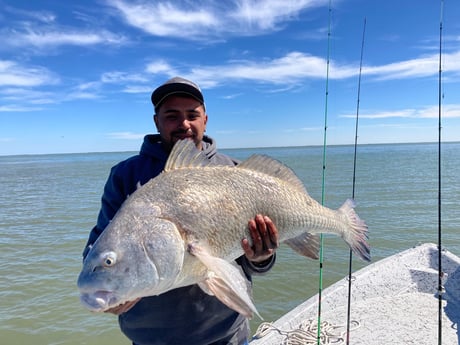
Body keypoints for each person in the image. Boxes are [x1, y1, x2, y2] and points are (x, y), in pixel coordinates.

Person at [82, 76, 279, 345]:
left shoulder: (237, 173)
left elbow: (249, 265)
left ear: (205, 120)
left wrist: (261, 257)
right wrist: (110, 288)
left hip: (227, 336)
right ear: (157, 121)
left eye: (192, 115)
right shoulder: (125, 176)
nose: (183, 124)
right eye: (172, 115)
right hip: (149, 339)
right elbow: (99, 247)